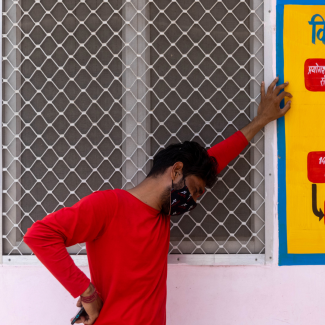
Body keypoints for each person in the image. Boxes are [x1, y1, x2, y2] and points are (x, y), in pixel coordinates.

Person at [24, 77, 292, 325]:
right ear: (175, 171)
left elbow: (215, 158)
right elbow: (40, 235)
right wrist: (88, 293)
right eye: (195, 189)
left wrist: (261, 120)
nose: (194, 201)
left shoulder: (161, 217)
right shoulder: (109, 205)